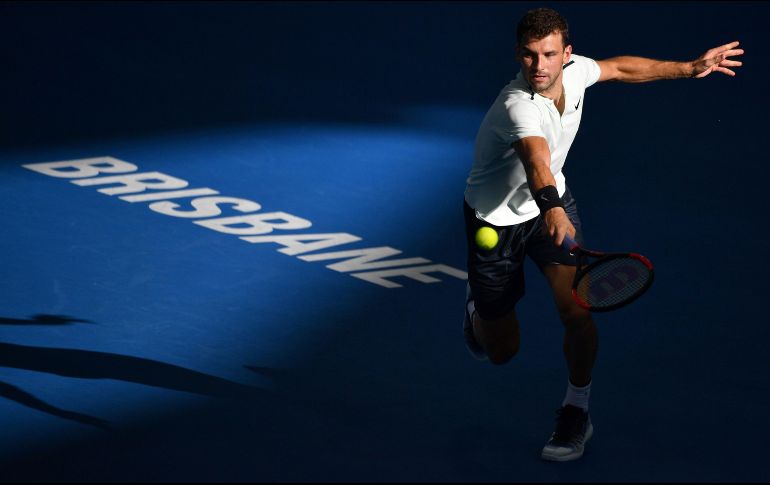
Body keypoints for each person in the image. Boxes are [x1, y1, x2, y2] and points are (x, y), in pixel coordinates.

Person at [462, 7, 743, 462]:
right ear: (518, 54)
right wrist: (553, 207)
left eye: (549, 54)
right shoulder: (517, 105)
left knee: (577, 311)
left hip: (551, 208)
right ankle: (477, 306)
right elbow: (536, 160)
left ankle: (577, 409)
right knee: (501, 351)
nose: (539, 66)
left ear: (567, 54)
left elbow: (619, 69)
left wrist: (689, 68)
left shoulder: (576, 72)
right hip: (496, 222)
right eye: (530, 55)